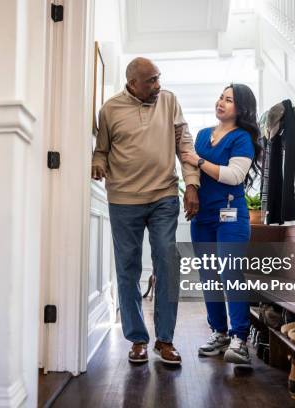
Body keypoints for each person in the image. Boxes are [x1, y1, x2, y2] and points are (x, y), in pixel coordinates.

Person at [92, 57, 200, 365]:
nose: (157, 85)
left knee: (167, 259)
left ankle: (164, 340)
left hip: (164, 194)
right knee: (127, 269)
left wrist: (191, 184)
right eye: (150, 81)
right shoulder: (110, 109)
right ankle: (137, 338)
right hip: (123, 199)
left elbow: (185, 144)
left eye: (158, 78)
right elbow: (101, 149)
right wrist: (98, 162)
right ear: (132, 84)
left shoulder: (169, 101)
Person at [181, 83, 262, 364]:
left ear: (241, 108)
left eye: (229, 100)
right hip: (202, 218)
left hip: (231, 217)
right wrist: (192, 176)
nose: (221, 103)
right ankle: (219, 333)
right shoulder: (203, 135)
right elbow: (188, 165)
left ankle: (239, 339)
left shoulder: (242, 139)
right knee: (209, 279)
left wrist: (198, 160)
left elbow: (234, 176)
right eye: (220, 97)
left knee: (230, 275)